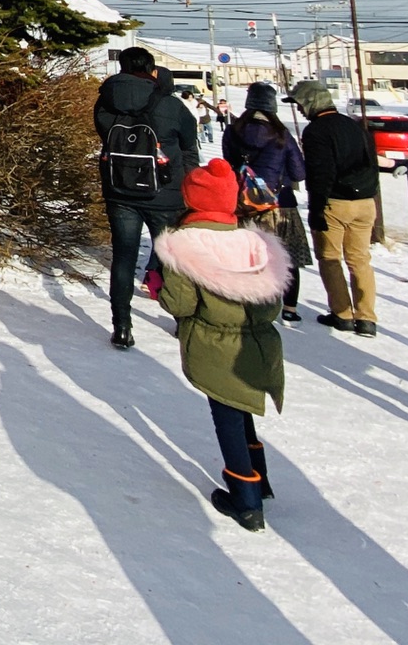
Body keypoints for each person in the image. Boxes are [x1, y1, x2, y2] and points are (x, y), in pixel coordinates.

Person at [154, 156, 291, 533]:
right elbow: (274, 301)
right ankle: (258, 480)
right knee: (242, 407)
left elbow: (179, 303)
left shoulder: (183, 245)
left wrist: (158, 290)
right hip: (259, 344)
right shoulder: (255, 242)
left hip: (213, 343)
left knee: (227, 416)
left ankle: (245, 502)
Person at [94, 46, 200, 349]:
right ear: (152, 69)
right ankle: (182, 320)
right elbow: (188, 141)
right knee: (171, 258)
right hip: (164, 192)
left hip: (120, 188)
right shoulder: (170, 104)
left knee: (123, 256)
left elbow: (104, 134)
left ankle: (122, 326)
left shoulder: (105, 101)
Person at [221, 82, 310, 320]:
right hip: (279, 204)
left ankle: (250, 301)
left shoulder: (233, 131)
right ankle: (289, 308)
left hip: (242, 203)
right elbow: (299, 173)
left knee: (247, 254)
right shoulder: (281, 134)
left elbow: (228, 165)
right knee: (285, 256)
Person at [298, 86, 381, 338]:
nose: (300, 109)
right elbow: (371, 162)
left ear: (311, 103)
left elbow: (321, 172)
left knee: (330, 258)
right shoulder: (355, 126)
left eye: (301, 104)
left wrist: (316, 208)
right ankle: (366, 318)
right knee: (360, 259)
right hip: (366, 202)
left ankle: (342, 314)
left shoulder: (316, 131)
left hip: (335, 202)